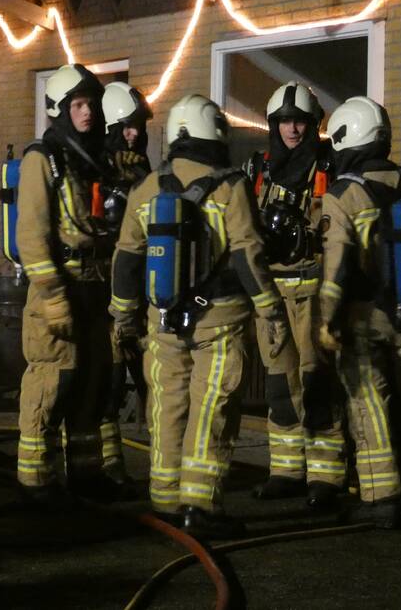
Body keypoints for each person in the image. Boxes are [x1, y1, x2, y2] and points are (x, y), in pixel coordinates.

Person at [110, 94, 289, 539]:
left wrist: (123, 318)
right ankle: (201, 506)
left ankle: (165, 500)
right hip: (219, 320)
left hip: (162, 321)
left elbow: (126, 259)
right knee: (212, 409)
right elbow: (248, 255)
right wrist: (270, 309)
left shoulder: (146, 188)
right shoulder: (231, 187)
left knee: (167, 405)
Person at [317, 96, 401, 527]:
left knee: (369, 404)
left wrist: (326, 319)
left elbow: (337, 265)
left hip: (365, 319)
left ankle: (381, 498)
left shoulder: (344, 195)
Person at [15, 63, 128, 502]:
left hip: (96, 288)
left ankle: (86, 475)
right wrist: (53, 297)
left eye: (92, 104)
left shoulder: (96, 161)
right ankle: (36, 480)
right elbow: (31, 236)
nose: (87, 112)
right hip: (61, 287)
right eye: (78, 105)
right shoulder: (42, 159)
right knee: (52, 382)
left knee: (91, 386)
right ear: (59, 110)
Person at [244, 83, 346, 509]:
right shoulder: (259, 168)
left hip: (314, 292)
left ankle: (326, 475)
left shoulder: (329, 166)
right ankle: (286, 471)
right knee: (279, 385)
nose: (293, 129)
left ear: (312, 124)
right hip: (271, 296)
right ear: (273, 125)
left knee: (316, 382)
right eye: (285, 121)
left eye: (300, 121)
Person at [98, 81, 153, 483]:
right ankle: (109, 463)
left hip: (144, 289)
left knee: (155, 377)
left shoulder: (142, 170)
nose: (134, 134)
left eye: (138, 127)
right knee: (110, 380)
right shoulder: (93, 169)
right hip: (105, 289)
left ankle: (163, 465)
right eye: (127, 127)